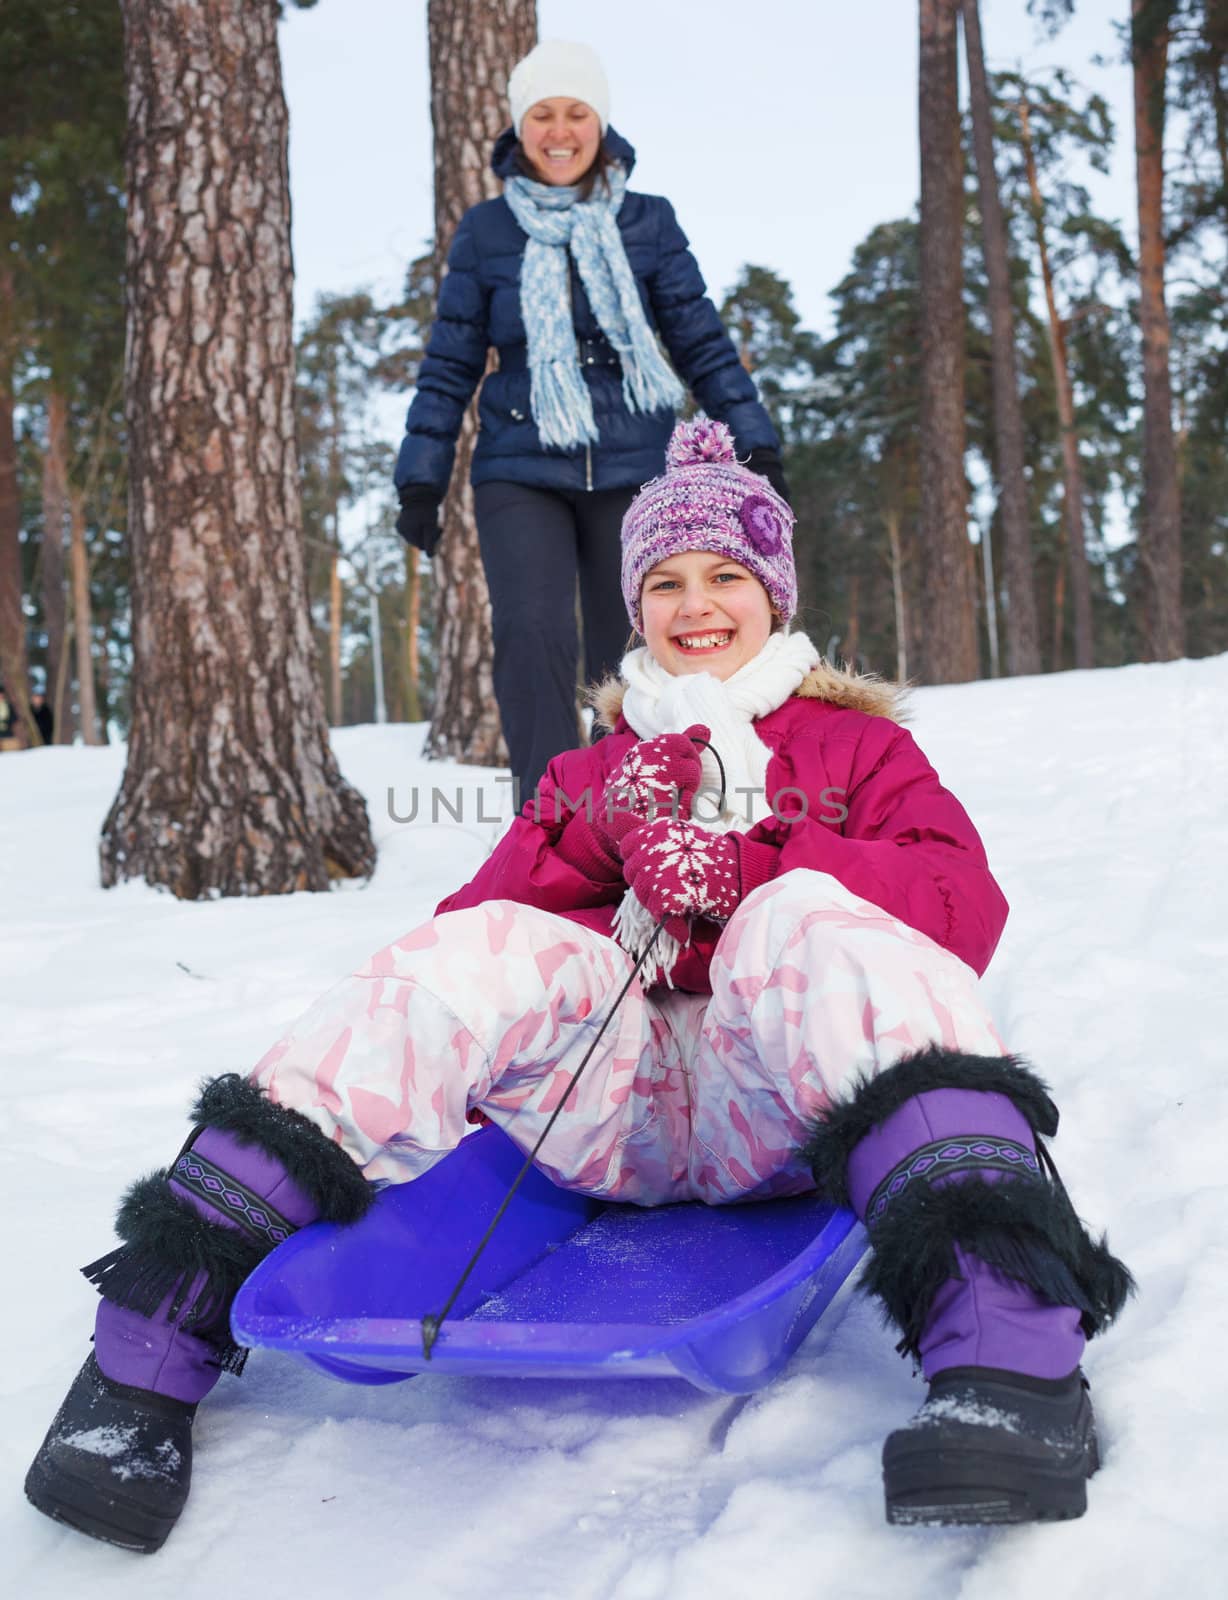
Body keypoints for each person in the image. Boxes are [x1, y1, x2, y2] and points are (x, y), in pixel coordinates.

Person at [26, 418, 1131, 1552]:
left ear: (773, 593)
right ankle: (148, 1357)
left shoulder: (856, 750)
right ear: (634, 603)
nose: (693, 603)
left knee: (805, 915)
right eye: (663, 581)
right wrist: (600, 834)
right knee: (478, 952)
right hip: (620, 1106)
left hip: (786, 1108)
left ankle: (1006, 1358)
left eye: (723, 575)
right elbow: (479, 935)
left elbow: (960, 902)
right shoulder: (591, 764)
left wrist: (754, 864)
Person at [393, 38, 786, 806]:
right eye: (543, 114)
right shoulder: (486, 231)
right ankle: (546, 816)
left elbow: (699, 340)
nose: (561, 130)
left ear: (600, 124)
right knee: (532, 634)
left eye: (577, 113)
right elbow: (449, 363)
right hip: (520, 462)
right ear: (520, 127)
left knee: (631, 647)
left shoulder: (648, 222)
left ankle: (636, 805)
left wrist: (756, 442)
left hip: (636, 460)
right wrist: (420, 481)